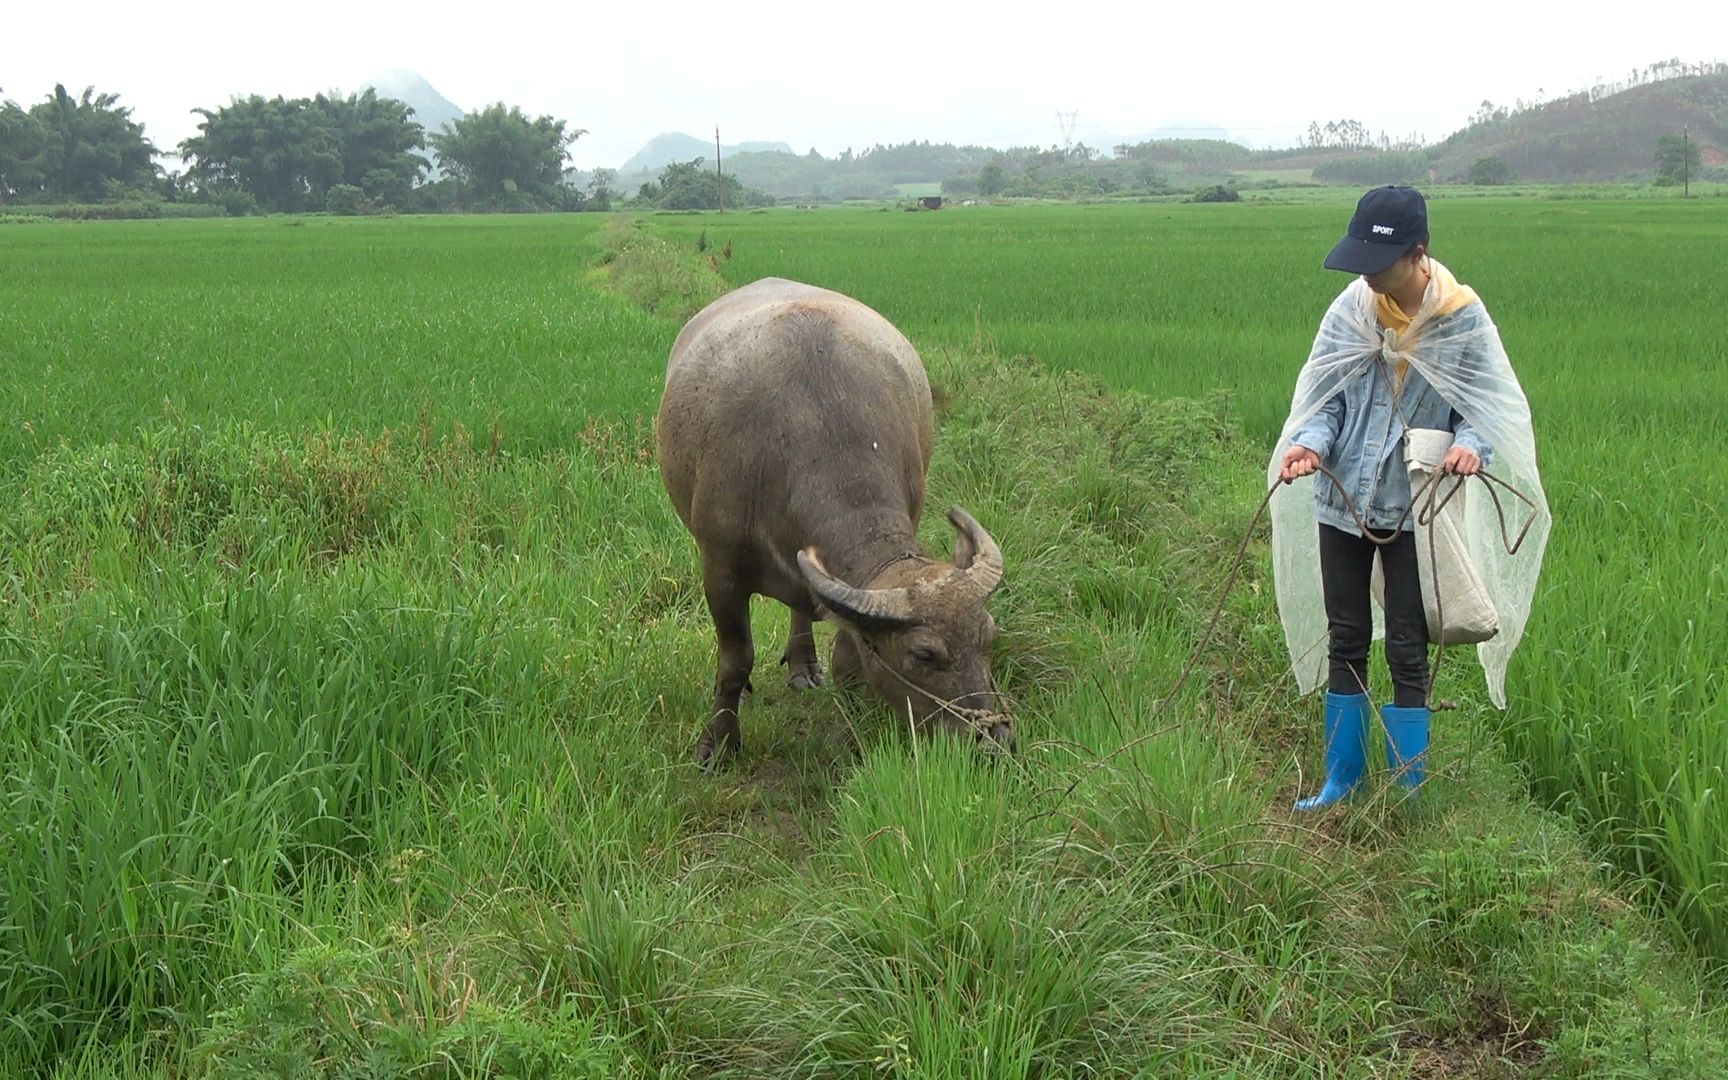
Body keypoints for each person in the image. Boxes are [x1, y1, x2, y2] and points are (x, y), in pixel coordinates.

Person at [1267, 185, 1551, 810]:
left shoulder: (1462, 320)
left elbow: (1484, 408)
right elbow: (1327, 398)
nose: (1368, 276)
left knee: (1406, 643)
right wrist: (1309, 446)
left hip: (1414, 509)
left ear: (1418, 254)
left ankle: (1409, 789)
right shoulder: (1354, 308)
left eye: (1380, 263)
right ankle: (1340, 780)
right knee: (1345, 636)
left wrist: (1472, 445)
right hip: (1341, 501)